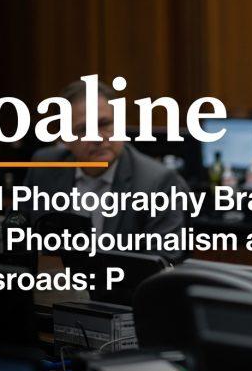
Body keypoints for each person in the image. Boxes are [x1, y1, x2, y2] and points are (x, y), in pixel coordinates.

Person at [21, 80, 189, 263]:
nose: (98, 138)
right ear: (64, 138)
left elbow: (162, 263)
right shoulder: (44, 167)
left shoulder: (158, 182)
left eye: (104, 124)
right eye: (83, 129)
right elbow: (16, 232)